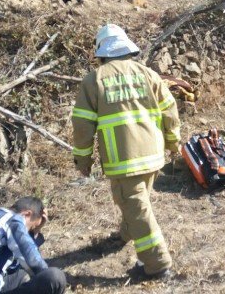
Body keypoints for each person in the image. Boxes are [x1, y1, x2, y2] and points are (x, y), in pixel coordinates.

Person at [71, 24, 180, 280]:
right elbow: (170, 110)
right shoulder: (149, 74)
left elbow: (83, 125)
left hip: (125, 161)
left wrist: (82, 159)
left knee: (137, 208)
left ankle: (157, 264)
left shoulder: (93, 80)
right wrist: (173, 142)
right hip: (153, 156)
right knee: (136, 203)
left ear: (102, 52)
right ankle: (126, 234)